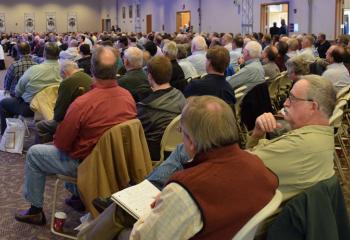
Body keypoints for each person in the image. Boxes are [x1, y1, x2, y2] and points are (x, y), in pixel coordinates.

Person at [78, 95, 278, 240]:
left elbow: (144, 237)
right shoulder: (258, 165)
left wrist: (157, 210)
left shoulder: (187, 189)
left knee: (116, 222)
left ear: (191, 142)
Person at [14, 46, 137, 225]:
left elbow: (62, 143)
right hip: (116, 163)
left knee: (34, 153)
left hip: (88, 165)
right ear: (118, 68)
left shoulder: (83, 103)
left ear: (92, 70)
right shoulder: (128, 97)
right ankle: (80, 196)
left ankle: (35, 210)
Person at [247, 74, 336, 200]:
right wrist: (258, 133)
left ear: (313, 107)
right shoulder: (321, 135)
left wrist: (256, 136)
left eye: (292, 98)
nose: (285, 103)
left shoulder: (299, 145)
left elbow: (240, 168)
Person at [0, 42, 61, 134]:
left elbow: (18, 91)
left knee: (3, 103)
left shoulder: (35, 69)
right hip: (55, 106)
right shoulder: (64, 69)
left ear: (44, 53)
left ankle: (7, 133)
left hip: (31, 108)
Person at [137, 56, 186, 161]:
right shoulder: (180, 95)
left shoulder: (145, 108)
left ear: (149, 77)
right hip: (179, 150)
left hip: (153, 156)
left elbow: (137, 137)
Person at [36, 60, 92, 143]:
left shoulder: (67, 82)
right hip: (87, 121)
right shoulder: (88, 78)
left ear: (65, 73)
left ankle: (43, 150)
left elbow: (58, 115)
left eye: (61, 76)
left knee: (40, 126)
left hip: (72, 122)